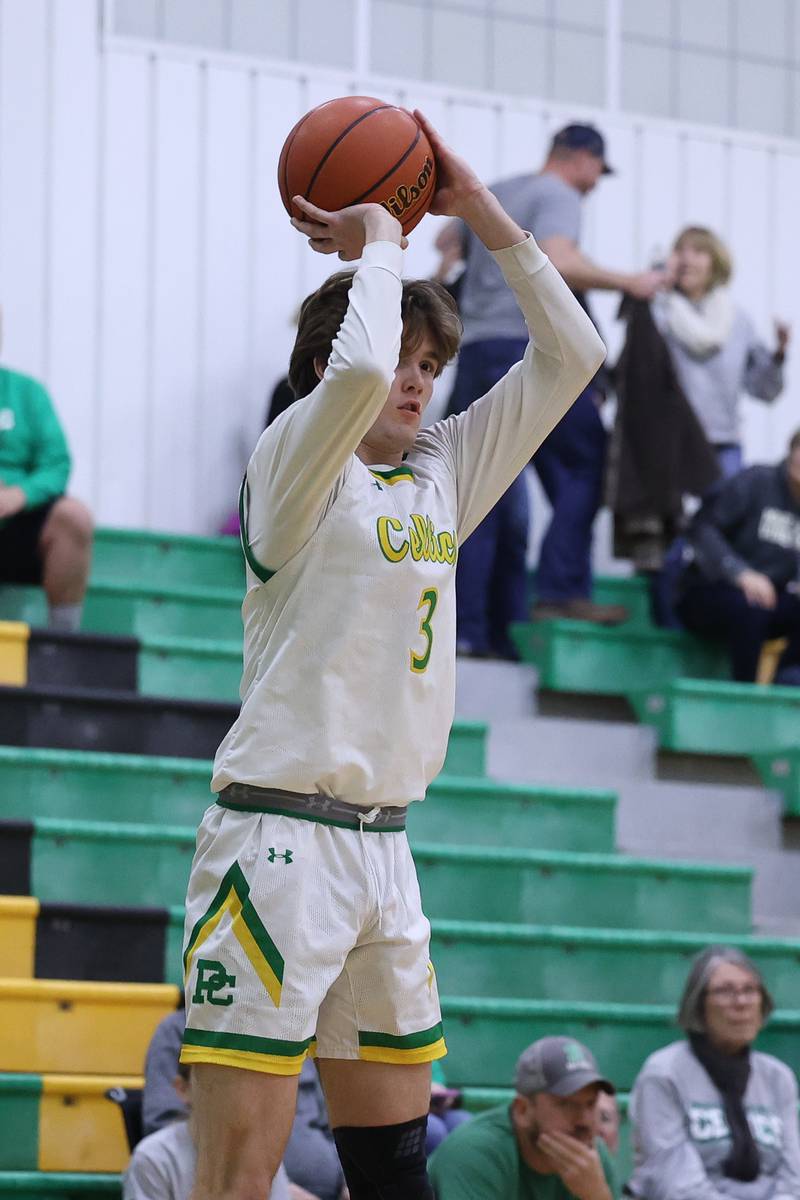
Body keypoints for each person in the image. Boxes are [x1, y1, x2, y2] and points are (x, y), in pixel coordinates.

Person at [179, 108, 605, 1200]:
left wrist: (478, 211)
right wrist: (380, 239)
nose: (414, 382)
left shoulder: (443, 471)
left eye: (432, 364)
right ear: (326, 368)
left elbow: (576, 354)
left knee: (395, 1179)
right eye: (401, 359)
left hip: (383, 851)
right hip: (275, 843)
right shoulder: (291, 462)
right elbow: (357, 374)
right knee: (236, 1177)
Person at [436, 122, 665, 653]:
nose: (594, 185)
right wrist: (631, 282)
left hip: (474, 352)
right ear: (582, 158)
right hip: (524, 349)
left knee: (482, 493)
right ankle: (561, 589)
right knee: (590, 461)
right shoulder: (557, 193)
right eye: (596, 174)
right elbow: (559, 261)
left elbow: (447, 245)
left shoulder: (498, 190)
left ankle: (471, 630)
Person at [648, 226, 791, 625]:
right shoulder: (659, 311)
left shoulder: (736, 320)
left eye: (698, 251)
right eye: (681, 250)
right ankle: (665, 622)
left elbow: (764, 390)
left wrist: (780, 354)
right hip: (672, 445)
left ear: (716, 262)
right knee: (667, 536)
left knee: (716, 533)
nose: (688, 258)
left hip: (722, 444)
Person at [627, 945, 800, 1199]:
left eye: (750, 990)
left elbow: (793, 1177)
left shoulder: (778, 1077)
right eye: (725, 991)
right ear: (698, 1004)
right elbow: (677, 1184)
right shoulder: (663, 1074)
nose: (741, 1002)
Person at [143, 1008, 347, 1199]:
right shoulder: (180, 1029)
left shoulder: (300, 1031)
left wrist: (348, 1182)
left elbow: (332, 1126)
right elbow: (163, 1121)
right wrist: (282, 1189)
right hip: (247, 1185)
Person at [675, 429, 800, 683]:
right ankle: (745, 695)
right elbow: (702, 528)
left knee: (764, 607)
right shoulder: (757, 481)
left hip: (768, 599)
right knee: (751, 607)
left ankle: (784, 684)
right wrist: (740, 573)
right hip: (708, 590)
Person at [428, 1035, 618, 1199]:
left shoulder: (592, 1158)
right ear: (522, 1110)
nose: (584, 1120)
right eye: (565, 1104)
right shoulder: (474, 1153)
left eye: (590, 1103)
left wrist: (596, 1196)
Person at [0, 361, 92, 630]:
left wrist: (20, 495)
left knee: (74, 516)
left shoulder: (27, 392)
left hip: (20, 525)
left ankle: (62, 641)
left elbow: (57, 463)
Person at [124, 1062, 294, 1200]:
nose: (229, 1093)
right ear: (182, 1088)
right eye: (217, 1082)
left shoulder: (260, 1152)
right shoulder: (152, 1158)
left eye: (237, 1083)